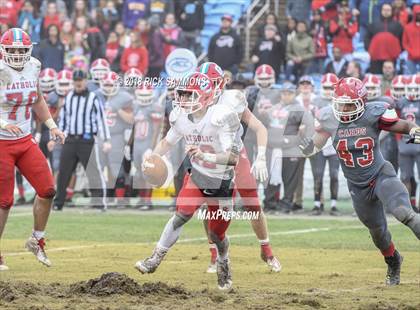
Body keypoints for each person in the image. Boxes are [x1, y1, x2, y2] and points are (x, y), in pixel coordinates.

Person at [300, 77, 420, 285]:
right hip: (357, 185)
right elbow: (316, 145)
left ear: (362, 102)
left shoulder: (373, 114)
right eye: (341, 103)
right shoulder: (329, 117)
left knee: (404, 214)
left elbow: (406, 126)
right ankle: (393, 261)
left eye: (349, 103)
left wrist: (415, 132)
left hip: (380, 174)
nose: (344, 108)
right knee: (378, 233)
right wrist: (307, 148)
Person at [135, 72, 240, 291]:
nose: (183, 100)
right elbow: (167, 141)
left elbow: (233, 158)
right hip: (197, 175)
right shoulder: (180, 116)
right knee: (181, 214)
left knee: (216, 235)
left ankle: (224, 260)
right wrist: (153, 157)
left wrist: (205, 155)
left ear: (205, 96)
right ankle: (155, 258)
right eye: (181, 94)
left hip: (221, 182)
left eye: (189, 95)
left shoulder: (221, 116)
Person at [197, 62, 281, 273]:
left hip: (235, 154)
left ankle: (267, 251)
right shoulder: (193, 99)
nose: (209, 88)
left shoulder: (233, 98)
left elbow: (258, 127)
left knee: (252, 203)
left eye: (213, 83)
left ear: (222, 82)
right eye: (205, 83)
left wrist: (261, 156)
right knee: (210, 207)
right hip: (209, 156)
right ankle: (215, 255)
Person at [0, 28, 66, 271]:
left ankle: (36, 239)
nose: (17, 55)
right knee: (4, 201)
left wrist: (52, 126)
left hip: (25, 139)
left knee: (48, 190)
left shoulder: (34, 66)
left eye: (21, 50)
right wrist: (5, 123)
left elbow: (37, 99)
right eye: (12, 50)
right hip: (2, 141)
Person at [52, 69, 111, 211]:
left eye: (81, 80)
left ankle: (99, 203)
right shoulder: (68, 97)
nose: (78, 83)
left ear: (85, 81)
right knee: (63, 172)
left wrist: (106, 139)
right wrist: (57, 137)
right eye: (76, 80)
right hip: (70, 139)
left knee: (93, 171)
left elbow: (101, 119)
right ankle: (58, 203)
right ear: (73, 82)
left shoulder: (93, 97)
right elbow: (63, 120)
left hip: (86, 140)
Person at [260, 82, 313, 213]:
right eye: (284, 93)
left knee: (289, 179)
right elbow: (264, 125)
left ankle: (286, 203)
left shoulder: (299, 109)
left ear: (294, 94)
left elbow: (310, 126)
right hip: (272, 149)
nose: (286, 96)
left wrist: (305, 142)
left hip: (291, 149)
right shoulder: (273, 108)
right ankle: (270, 202)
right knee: (271, 177)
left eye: (289, 93)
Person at [97, 71, 134, 203]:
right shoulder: (96, 95)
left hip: (116, 135)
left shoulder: (125, 97)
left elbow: (131, 120)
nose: (108, 87)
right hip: (99, 137)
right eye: (106, 84)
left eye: (111, 85)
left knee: (116, 167)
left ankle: (120, 199)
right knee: (98, 167)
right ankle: (102, 197)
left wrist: (118, 109)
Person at [311, 73, 340, 216]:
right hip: (320, 143)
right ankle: (317, 204)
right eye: (326, 87)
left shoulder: (341, 101)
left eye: (331, 87)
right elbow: (313, 123)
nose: (328, 90)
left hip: (334, 144)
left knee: (334, 175)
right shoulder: (316, 101)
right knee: (318, 175)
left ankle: (334, 204)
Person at [395, 75, 420, 213]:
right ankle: (407, 206)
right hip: (405, 142)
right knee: (405, 176)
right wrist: (398, 140)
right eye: (409, 88)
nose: (411, 91)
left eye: (414, 88)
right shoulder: (401, 102)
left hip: (418, 140)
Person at [365, 3, 403, 74]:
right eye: (384, 10)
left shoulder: (397, 25)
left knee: (390, 77)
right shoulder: (373, 24)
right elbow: (367, 38)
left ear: (392, 11)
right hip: (376, 58)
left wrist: (398, 51)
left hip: (391, 57)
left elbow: (401, 40)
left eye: (388, 10)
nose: (386, 11)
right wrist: (370, 49)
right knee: (376, 78)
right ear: (381, 11)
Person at [402, 5, 420, 75]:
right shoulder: (407, 27)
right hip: (411, 58)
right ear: (414, 14)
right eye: (418, 14)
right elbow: (404, 43)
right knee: (409, 79)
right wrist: (411, 51)